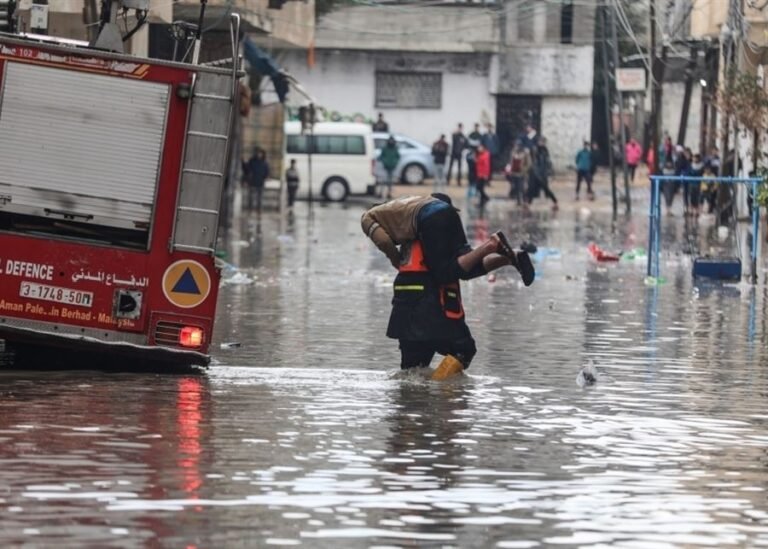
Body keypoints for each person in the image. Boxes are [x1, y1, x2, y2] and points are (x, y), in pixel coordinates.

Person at [361, 193, 535, 378]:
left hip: (411, 308)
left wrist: (396, 261)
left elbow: (384, 242)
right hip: (428, 307)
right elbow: (466, 270)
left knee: (413, 370)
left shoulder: (383, 220)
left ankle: (434, 388)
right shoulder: (430, 226)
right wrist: (504, 259)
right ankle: (436, 391)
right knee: (446, 358)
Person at [525, 137, 558, 211]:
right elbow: (532, 160)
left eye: (543, 142)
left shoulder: (544, 151)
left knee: (546, 189)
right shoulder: (534, 149)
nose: (541, 143)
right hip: (535, 173)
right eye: (540, 142)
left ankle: (555, 202)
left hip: (542, 174)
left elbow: (547, 162)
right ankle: (528, 204)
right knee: (532, 189)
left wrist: (549, 171)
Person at [242, 147, 270, 212]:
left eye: (260, 153)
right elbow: (247, 170)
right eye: (258, 153)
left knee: (259, 198)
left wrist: (266, 177)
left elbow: (266, 171)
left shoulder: (264, 162)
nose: (259, 155)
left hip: (260, 182)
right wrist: (243, 162)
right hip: (252, 181)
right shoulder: (252, 161)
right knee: (251, 197)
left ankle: (258, 209)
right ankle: (250, 209)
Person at [506, 140, 531, 205]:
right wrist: (509, 169)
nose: (515, 146)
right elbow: (510, 161)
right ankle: (518, 200)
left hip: (521, 173)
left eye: (517, 145)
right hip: (514, 172)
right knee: (515, 187)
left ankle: (525, 200)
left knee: (522, 187)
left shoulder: (525, 153)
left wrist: (524, 169)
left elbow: (529, 163)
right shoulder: (513, 152)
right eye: (515, 145)